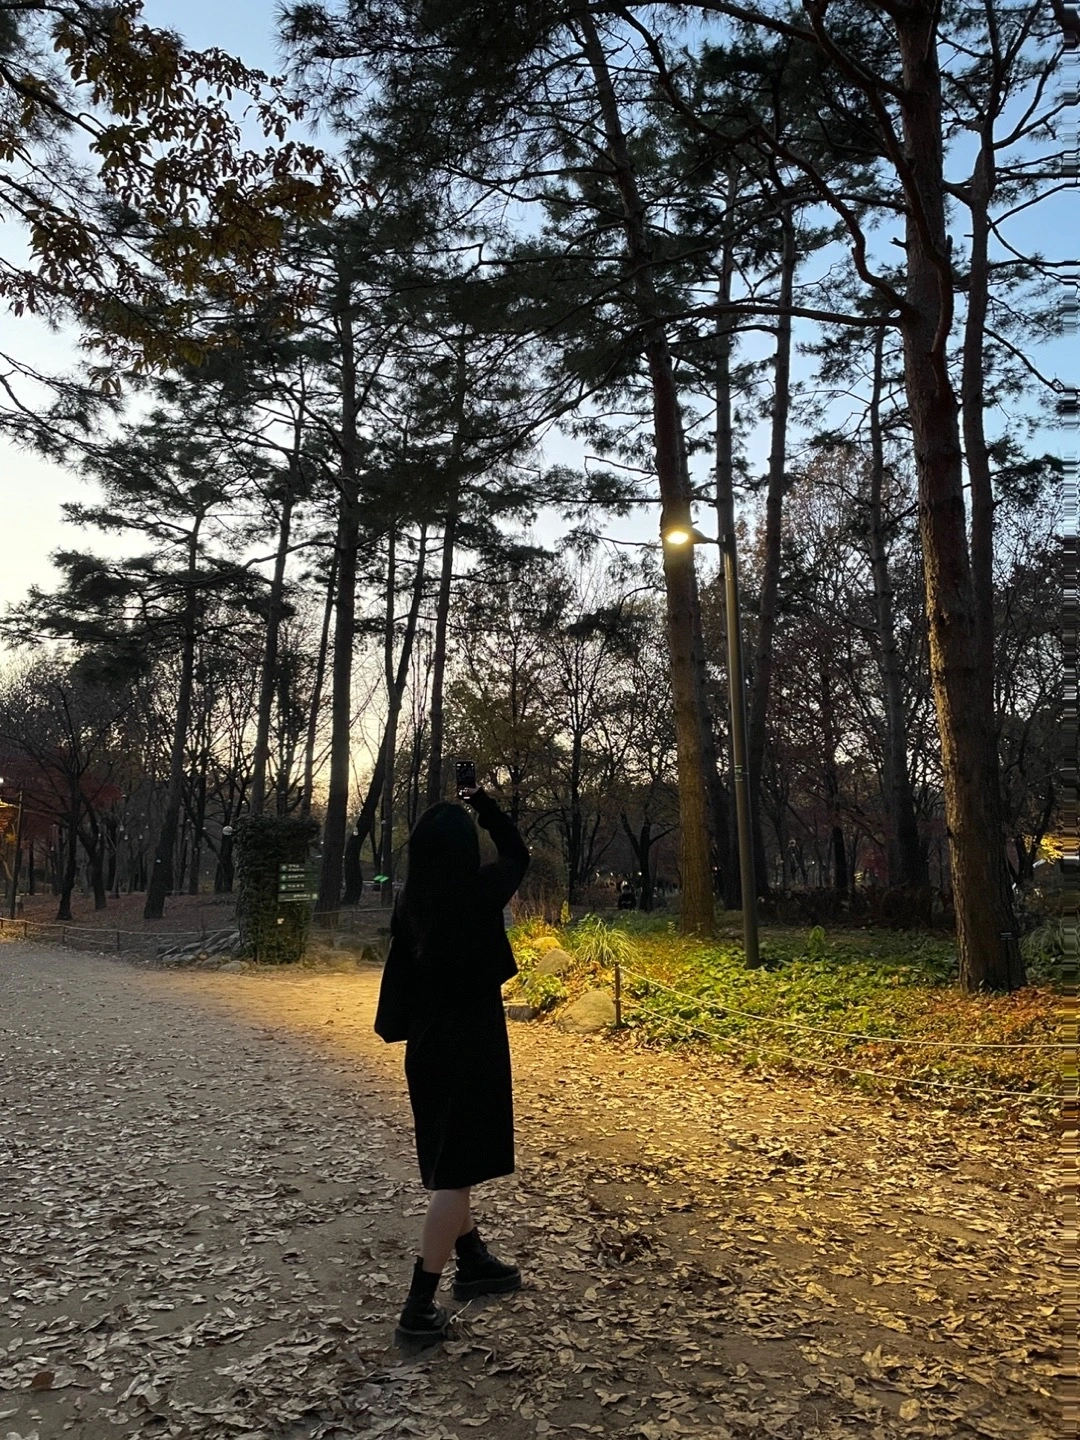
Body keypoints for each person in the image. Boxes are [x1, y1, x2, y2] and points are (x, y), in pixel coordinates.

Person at [374, 786, 530, 1346]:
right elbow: (517, 854)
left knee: (449, 1164)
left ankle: (474, 1258)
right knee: (455, 1178)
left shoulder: (410, 902)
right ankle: (419, 1306)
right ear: (464, 850)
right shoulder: (477, 891)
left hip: (426, 1048)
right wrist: (485, 806)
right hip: (472, 1046)